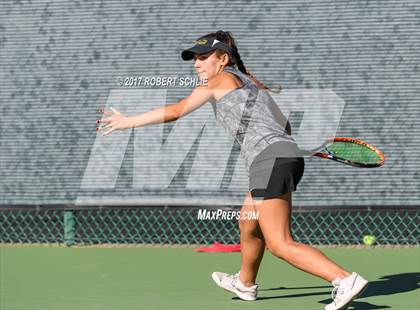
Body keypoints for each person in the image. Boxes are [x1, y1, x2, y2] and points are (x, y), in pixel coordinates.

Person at [96, 30, 368, 310]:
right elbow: (284, 127)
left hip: (268, 160)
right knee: (248, 221)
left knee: (279, 243)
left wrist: (127, 122)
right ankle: (246, 284)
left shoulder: (218, 81)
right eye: (195, 59)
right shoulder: (251, 83)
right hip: (281, 156)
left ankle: (344, 279)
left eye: (203, 58)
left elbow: (177, 111)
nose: (196, 64)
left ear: (223, 58)